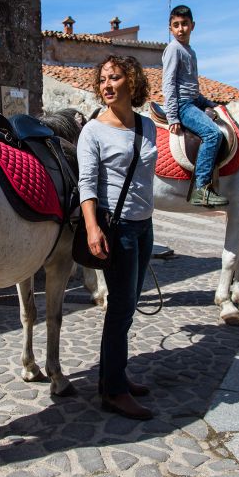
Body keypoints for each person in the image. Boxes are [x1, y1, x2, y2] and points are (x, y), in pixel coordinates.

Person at [77, 55, 159, 418]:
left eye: (115, 77)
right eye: (103, 79)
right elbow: (87, 183)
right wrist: (93, 227)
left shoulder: (147, 127)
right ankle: (112, 390)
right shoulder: (93, 130)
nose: (107, 85)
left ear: (132, 82)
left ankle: (116, 376)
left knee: (128, 308)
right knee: (121, 309)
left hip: (144, 226)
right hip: (118, 229)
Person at [162, 5, 227, 207]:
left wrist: (210, 103)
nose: (180, 29)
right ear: (170, 28)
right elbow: (168, 82)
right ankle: (202, 189)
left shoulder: (190, 51)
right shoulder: (174, 49)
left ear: (193, 26)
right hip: (182, 105)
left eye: (184, 24)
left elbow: (193, 88)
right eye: (176, 25)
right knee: (212, 134)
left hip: (193, 100)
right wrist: (173, 116)